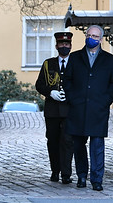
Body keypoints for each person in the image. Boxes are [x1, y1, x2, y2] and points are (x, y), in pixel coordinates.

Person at [62, 25, 113, 191]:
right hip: (78, 108)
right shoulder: (75, 57)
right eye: (89, 35)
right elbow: (68, 80)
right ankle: (81, 176)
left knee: (97, 146)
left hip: (98, 109)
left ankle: (96, 179)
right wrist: (72, 97)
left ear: (100, 39)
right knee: (78, 144)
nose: (91, 38)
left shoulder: (109, 59)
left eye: (95, 36)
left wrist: (106, 100)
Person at [35, 30, 75, 184]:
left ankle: (66, 173)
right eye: (61, 44)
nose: (64, 46)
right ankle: (55, 171)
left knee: (67, 141)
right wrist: (49, 92)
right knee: (52, 141)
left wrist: (70, 95)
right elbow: (39, 85)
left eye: (66, 44)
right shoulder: (48, 63)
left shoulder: (76, 63)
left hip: (69, 109)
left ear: (70, 46)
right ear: (56, 46)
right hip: (52, 110)